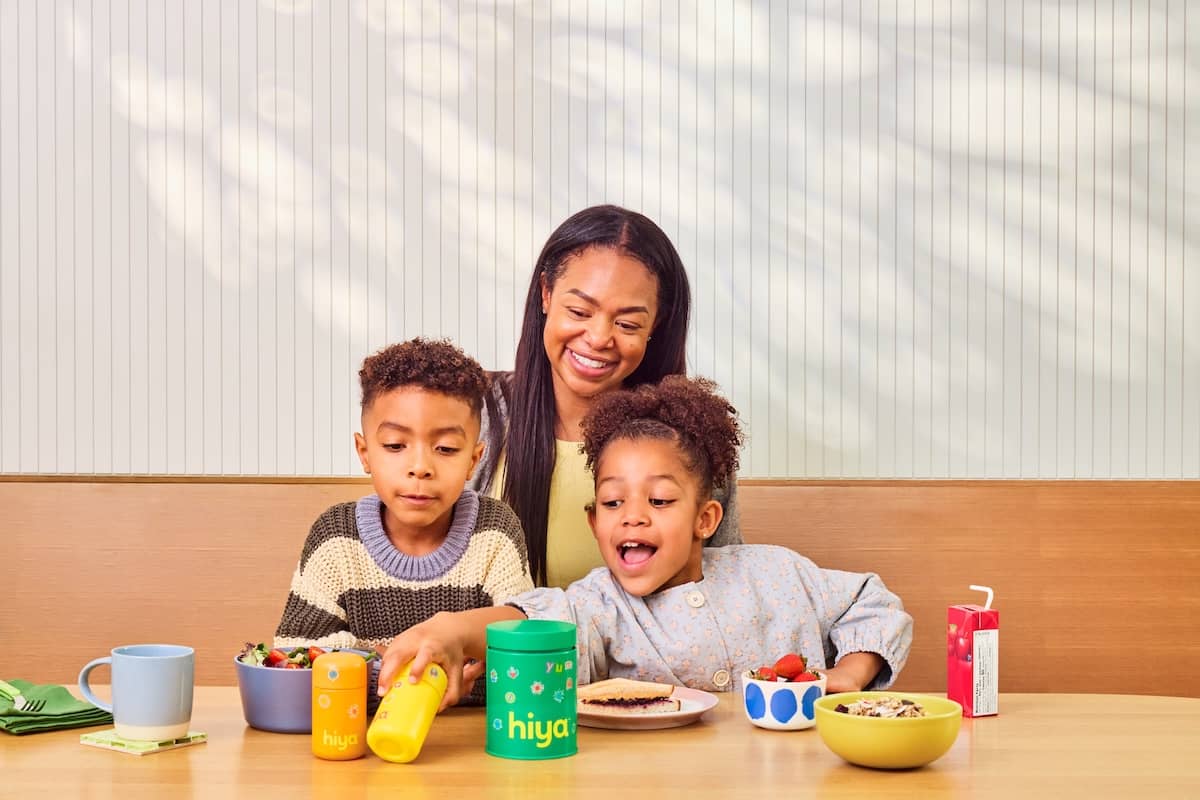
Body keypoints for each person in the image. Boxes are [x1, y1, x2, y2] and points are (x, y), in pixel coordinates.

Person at [382, 376, 913, 707]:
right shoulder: (599, 606)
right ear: (594, 523)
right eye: (613, 503)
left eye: (658, 501)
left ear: (706, 518)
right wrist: (452, 630)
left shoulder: (776, 571)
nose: (633, 517)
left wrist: (851, 672)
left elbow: (871, 601)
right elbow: (536, 623)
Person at [470, 204, 741, 588]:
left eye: (627, 323)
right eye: (580, 311)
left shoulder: (690, 437)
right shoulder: (471, 411)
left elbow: (723, 590)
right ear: (546, 294)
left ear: (656, 323)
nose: (598, 338)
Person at [274, 338, 534, 704]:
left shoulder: (495, 531)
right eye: (396, 445)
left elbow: (524, 645)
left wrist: (372, 660)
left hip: (473, 733)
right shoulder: (335, 537)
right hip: (362, 733)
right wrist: (410, 672)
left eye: (446, 449)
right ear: (365, 452)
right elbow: (295, 653)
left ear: (474, 460)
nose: (420, 467)